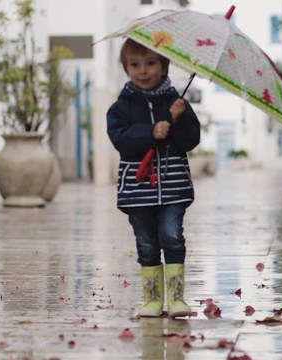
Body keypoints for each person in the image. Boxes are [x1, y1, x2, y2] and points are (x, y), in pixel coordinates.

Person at [106, 39, 201, 318]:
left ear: (164, 66)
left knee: (172, 236)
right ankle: (152, 299)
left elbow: (190, 141)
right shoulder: (121, 107)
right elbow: (120, 139)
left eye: (150, 63)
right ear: (126, 68)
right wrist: (150, 132)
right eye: (135, 64)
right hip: (137, 191)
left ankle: (176, 299)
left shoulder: (176, 103)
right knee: (147, 244)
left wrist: (179, 120)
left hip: (173, 188)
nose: (143, 70)